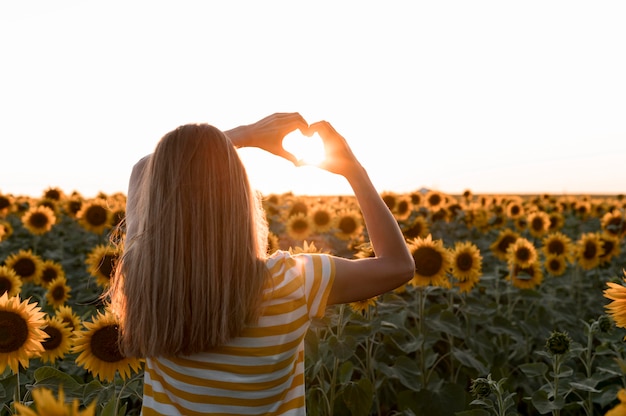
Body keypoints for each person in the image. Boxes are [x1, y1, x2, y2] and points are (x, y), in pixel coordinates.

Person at [108, 112, 415, 415]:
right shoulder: (292, 283)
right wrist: (354, 171)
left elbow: (142, 170)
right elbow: (398, 265)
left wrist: (244, 135)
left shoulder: (143, 279)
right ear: (241, 197)